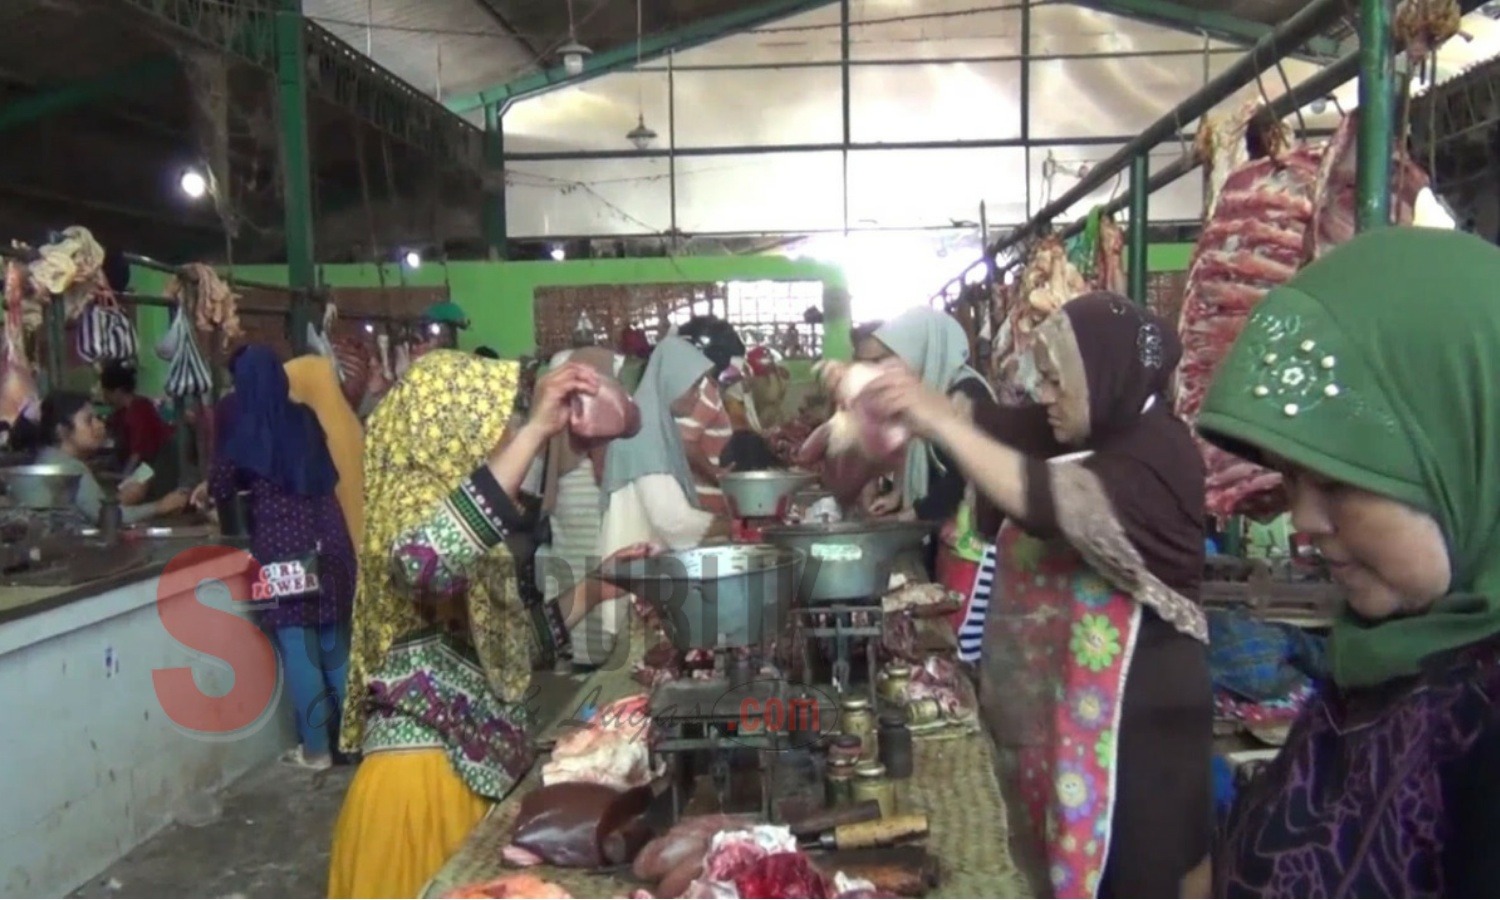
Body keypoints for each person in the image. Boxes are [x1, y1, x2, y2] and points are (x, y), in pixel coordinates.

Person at [833, 292, 1212, 898]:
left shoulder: (1157, 459)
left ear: (1108, 376)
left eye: (1061, 381)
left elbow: (1040, 497)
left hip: (1142, 724)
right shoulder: (1098, 425)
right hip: (1080, 710)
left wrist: (942, 420)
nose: (1045, 394)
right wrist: (888, 396)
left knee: (1138, 871)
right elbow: (994, 424)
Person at [1195, 227, 1500, 896]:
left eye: (1336, 483)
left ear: (1466, 446)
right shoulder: (1386, 657)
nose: (1303, 523)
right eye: (1292, 482)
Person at [328, 350, 643, 899]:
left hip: (465, 779)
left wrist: (596, 588)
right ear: (454, 430)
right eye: (501, 422)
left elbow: (508, 652)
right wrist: (537, 432)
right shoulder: (413, 517)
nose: (509, 434)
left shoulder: (472, 531)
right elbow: (426, 563)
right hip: (417, 793)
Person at [209, 345, 356, 770]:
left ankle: (316, 750)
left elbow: (221, 485)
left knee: (298, 646)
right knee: (333, 645)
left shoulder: (245, 430)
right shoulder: (305, 419)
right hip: (332, 543)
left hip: (283, 554)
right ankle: (352, 744)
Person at [854, 307, 997, 523]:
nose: (885, 368)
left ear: (921, 350)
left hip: (968, 533)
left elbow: (962, 477)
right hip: (942, 524)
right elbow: (917, 449)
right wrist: (898, 494)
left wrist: (908, 517)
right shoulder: (931, 387)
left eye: (892, 357)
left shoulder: (967, 393)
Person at [16, 392, 188, 525]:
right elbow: (103, 517)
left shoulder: (49, 458)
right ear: (62, 430)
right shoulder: (69, 468)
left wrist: (120, 499)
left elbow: (87, 507)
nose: (100, 425)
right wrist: (160, 506)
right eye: (89, 420)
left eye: (98, 418)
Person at [98, 360, 180, 501]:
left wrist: (124, 481)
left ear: (117, 392)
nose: (104, 398)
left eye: (106, 393)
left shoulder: (139, 409)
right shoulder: (119, 413)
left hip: (157, 470)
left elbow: (137, 454)